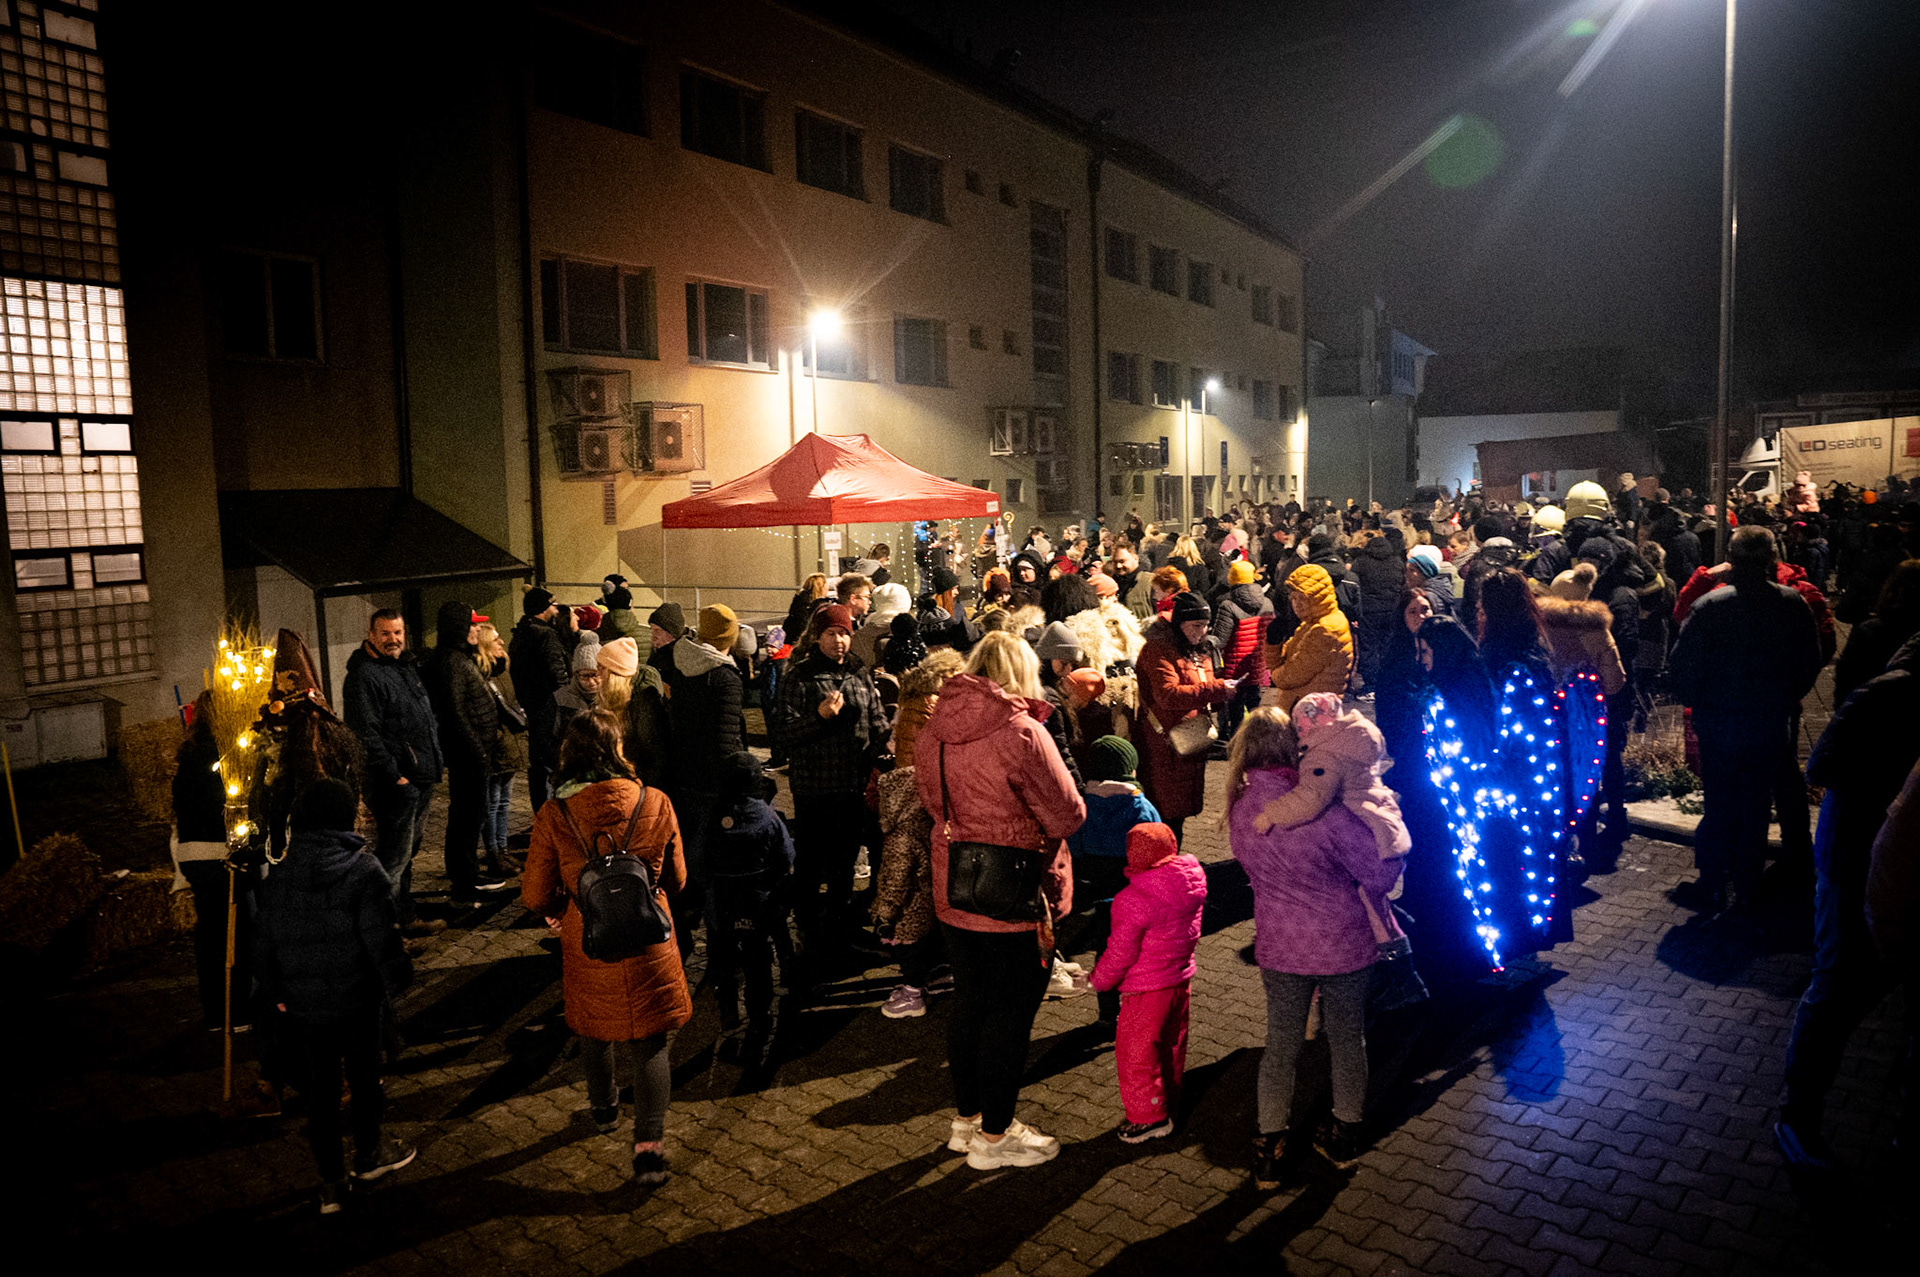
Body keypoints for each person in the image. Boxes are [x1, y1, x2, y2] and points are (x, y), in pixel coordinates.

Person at [915, 631, 1085, 1169]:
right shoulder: (1022, 732)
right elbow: (1067, 815)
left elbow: (931, 803)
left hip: (954, 884)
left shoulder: (933, 729)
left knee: (969, 1004)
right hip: (1013, 891)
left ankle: (966, 1120)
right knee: (1010, 1017)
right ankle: (995, 1137)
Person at [1228, 709, 1404, 1184]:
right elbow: (1379, 876)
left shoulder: (1241, 810)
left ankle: (1269, 1147)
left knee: (1280, 1046)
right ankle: (1345, 1134)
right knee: (1347, 1041)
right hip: (1344, 943)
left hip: (1280, 944)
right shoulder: (1328, 812)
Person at [520, 711, 691, 1187]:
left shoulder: (556, 814)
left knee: (593, 1028)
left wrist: (561, 909)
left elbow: (534, 894)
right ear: (619, 749)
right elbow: (678, 879)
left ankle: (603, 1111)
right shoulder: (655, 801)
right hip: (649, 936)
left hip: (588, 937)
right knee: (651, 1043)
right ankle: (649, 1150)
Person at [1776, 636, 1920, 1168]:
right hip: (1854, 854)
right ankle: (1797, 1116)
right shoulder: (1891, 692)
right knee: (1837, 987)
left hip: (1877, 849)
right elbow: (1821, 766)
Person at [254, 778, 415, 1214]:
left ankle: (330, 1183)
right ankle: (370, 1155)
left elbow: (264, 943)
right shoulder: (363, 870)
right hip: (358, 998)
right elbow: (381, 938)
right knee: (364, 1078)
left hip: (304, 1004)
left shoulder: (280, 874)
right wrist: (398, 977)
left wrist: (277, 993)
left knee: (321, 1091)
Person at [1669, 527, 1824, 912]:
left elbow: (1682, 667)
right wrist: (1785, 698)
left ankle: (1712, 882)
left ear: (1731, 560)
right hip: (1768, 722)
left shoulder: (1710, 606)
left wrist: (1700, 704)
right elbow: (1810, 661)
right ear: (1772, 558)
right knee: (1755, 804)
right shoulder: (1791, 603)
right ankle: (1748, 885)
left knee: (1719, 803)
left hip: (1719, 723)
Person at [770, 603, 891, 962]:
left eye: (844, 633)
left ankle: (841, 930)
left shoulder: (857, 670)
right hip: (815, 788)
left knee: (845, 863)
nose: (839, 640)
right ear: (818, 637)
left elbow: (876, 716)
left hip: (853, 785)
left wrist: (885, 741)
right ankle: (810, 933)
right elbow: (784, 732)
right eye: (831, 633)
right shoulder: (800, 676)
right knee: (811, 864)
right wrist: (819, 716)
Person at [1089, 822, 1206, 1144]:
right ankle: (1169, 1099)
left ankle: (1149, 1117)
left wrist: (1099, 980)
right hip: (1179, 980)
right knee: (1171, 1045)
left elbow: (1120, 952)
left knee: (1136, 1056)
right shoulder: (1191, 880)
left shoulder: (1133, 898)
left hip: (1146, 989)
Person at [341, 610, 444, 933]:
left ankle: (404, 915)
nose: (393, 640)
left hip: (419, 777)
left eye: (397, 633)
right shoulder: (364, 676)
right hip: (395, 784)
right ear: (371, 635)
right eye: (385, 633)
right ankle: (385, 932)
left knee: (407, 854)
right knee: (393, 860)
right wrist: (396, 777)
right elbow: (366, 735)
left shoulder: (403, 667)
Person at [706, 751, 794, 1065]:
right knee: (758, 960)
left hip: (723, 904)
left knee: (723, 958)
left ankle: (729, 1010)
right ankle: (759, 1016)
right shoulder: (769, 817)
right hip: (758, 903)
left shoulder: (713, 816)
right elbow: (786, 856)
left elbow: (700, 860)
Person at [424, 601, 513, 901]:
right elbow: (455, 712)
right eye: (472, 625)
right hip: (469, 755)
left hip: (475, 753)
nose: (477, 629)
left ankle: (468, 873)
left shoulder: (460, 658)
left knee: (471, 815)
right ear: (459, 628)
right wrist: (478, 751)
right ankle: (464, 879)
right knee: (467, 816)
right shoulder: (452, 662)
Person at [1136, 592, 1238, 844]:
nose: (1201, 632)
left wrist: (1221, 692)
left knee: (1178, 814)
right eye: (1195, 625)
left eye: (1205, 625)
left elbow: (1202, 686)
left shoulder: (1199, 651)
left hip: (1191, 741)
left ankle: (1172, 858)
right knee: (1163, 813)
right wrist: (1216, 689)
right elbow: (1167, 695)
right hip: (1165, 743)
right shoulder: (1158, 650)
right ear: (1179, 623)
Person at [173, 690, 249, 1029]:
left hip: (193, 854)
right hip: (221, 854)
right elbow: (229, 807)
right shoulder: (227, 755)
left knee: (209, 934)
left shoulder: (188, 754)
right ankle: (236, 1010)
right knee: (235, 933)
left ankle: (216, 1012)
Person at [509, 587, 574, 812]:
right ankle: (559, 811)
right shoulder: (545, 634)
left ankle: (540, 810)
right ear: (542, 608)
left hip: (530, 703)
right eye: (552, 605)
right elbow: (558, 673)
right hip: (547, 704)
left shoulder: (521, 632)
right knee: (553, 758)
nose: (555, 609)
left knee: (537, 762)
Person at [474, 623, 528, 879]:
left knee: (503, 801)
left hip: (510, 743)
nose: (502, 642)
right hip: (496, 745)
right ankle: (494, 852)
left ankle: (503, 849)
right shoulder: (481, 674)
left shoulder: (503, 669)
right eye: (495, 639)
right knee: (492, 802)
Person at [1263, 564, 1354, 713]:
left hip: (1311, 714)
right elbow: (1286, 659)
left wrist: (1275, 671)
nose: (1297, 604)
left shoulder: (1325, 630)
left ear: (1318, 598)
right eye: (1293, 598)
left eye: (1303, 598)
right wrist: (1274, 643)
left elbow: (1287, 678)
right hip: (1307, 709)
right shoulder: (1312, 622)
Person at [1210, 560, 1273, 737]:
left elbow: (1220, 640)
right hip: (1257, 664)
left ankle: (1237, 744)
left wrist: (1205, 641)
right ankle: (1257, 742)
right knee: (1255, 708)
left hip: (1235, 668)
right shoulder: (1267, 602)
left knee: (1235, 712)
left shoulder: (1228, 606)